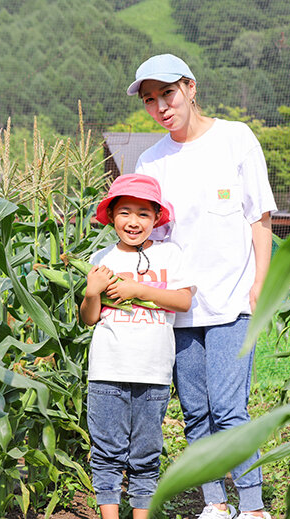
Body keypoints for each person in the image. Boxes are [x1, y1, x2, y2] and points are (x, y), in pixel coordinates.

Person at [128, 53, 277, 519]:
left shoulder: (236, 139)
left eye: (167, 94)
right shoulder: (151, 161)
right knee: (195, 411)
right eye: (150, 100)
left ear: (191, 88)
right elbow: (147, 236)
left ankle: (251, 507)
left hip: (233, 300)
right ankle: (214, 503)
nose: (161, 107)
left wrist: (262, 283)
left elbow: (260, 218)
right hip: (180, 307)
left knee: (230, 410)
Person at [81, 174, 194, 519]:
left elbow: (183, 301)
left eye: (144, 214)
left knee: (146, 452)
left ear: (157, 218)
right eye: (125, 212)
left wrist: (138, 291)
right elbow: (88, 318)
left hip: (153, 371)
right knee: (106, 451)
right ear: (112, 216)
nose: (134, 221)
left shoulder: (170, 254)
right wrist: (91, 291)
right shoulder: (102, 258)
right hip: (107, 370)